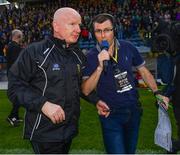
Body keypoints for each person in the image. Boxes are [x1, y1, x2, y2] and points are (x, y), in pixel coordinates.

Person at [81, 13, 169, 154]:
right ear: (93, 33)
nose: (103, 35)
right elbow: (85, 90)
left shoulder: (128, 47)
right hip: (110, 114)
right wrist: (99, 67)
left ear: (114, 29)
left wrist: (157, 92)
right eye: (98, 31)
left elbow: (144, 71)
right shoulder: (91, 56)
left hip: (133, 111)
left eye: (107, 30)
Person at [7, 7, 86, 154]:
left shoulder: (77, 55)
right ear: (56, 26)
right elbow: (14, 88)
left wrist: (97, 100)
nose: (78, 29)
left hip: (69, 129)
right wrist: (43, 104)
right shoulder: (35, 51)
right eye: (72, 24)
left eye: (79, 25)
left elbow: (79, 86)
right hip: (44, 133)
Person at [6, 29, 24, 127]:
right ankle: (12, 116)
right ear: (18, 36)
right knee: (18, 96)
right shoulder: (15, 47)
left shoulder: (11, 46)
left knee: (18, 95)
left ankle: (15, 116)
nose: (22, 38)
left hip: (13, 74)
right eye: (21, 36)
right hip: (15, 75)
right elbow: (17, 62)